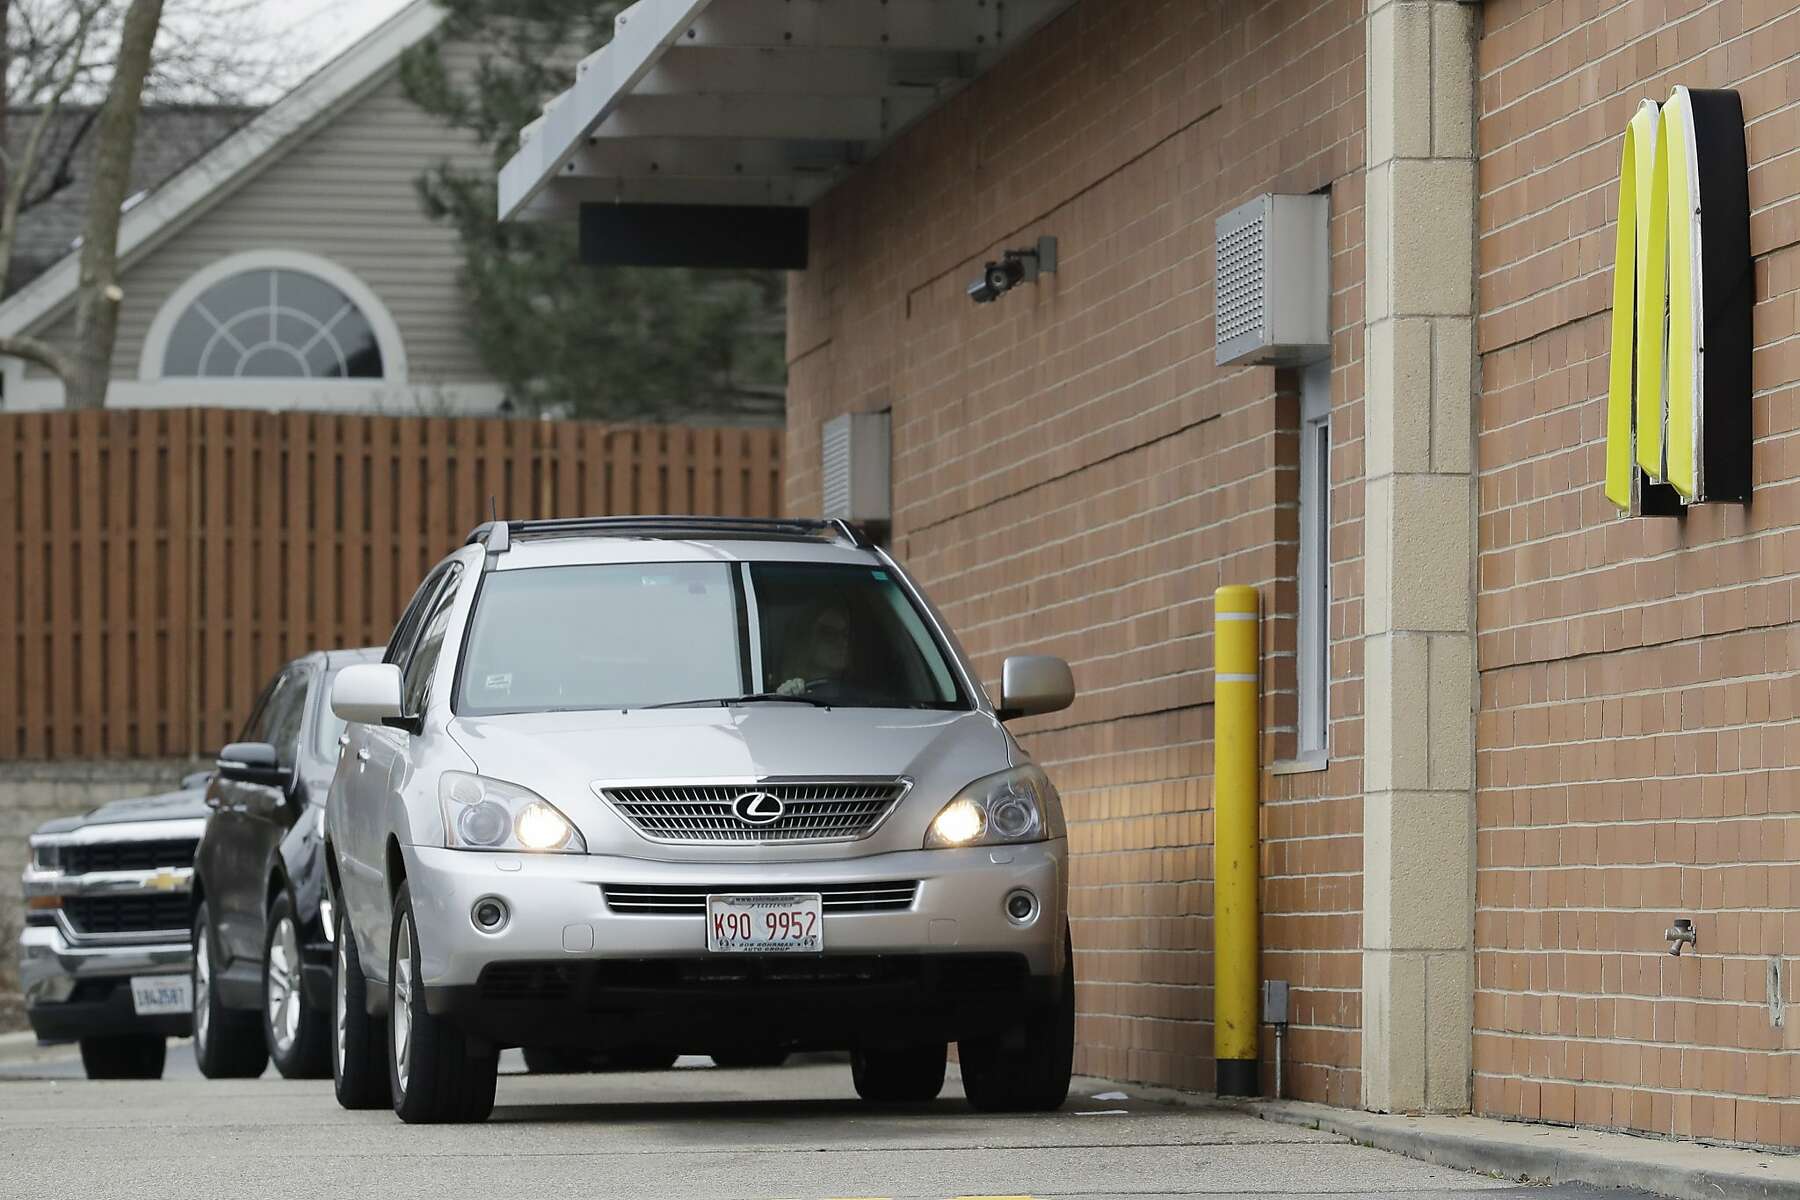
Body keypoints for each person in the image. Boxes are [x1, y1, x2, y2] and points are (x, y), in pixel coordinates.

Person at [774, 603, 853, 696]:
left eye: (845, 634)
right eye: (829, 634)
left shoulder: (860, 694)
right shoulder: (793, 691)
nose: (843, 642)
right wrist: (785, 699)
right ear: (807, 639)